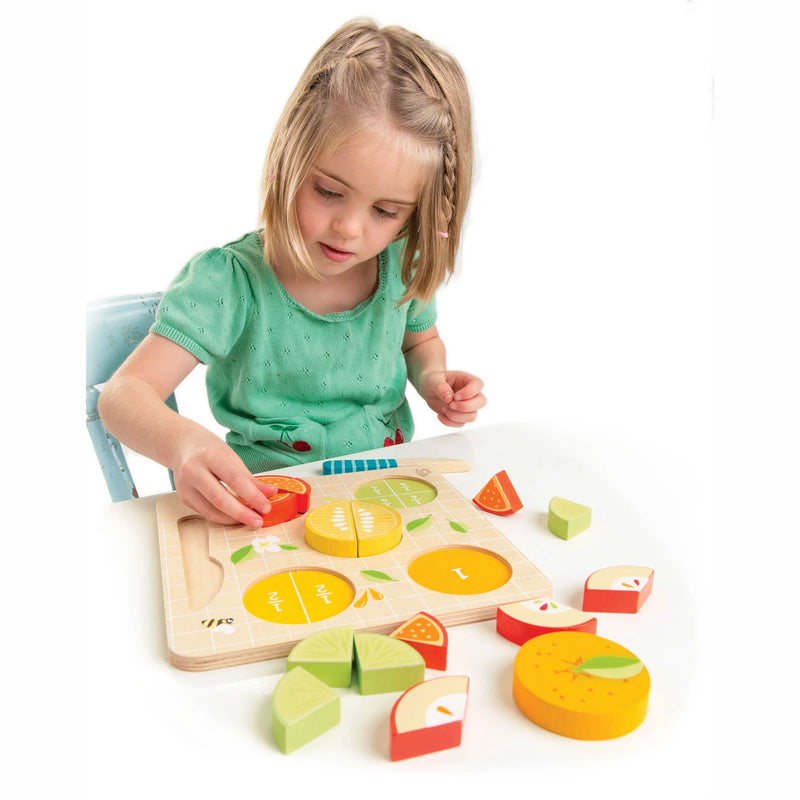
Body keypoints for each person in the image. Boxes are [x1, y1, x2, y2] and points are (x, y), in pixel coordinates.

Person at [98, 18, 486, 528]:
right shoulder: (230, 283)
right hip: (261, 508)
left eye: (386, 211)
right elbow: (122, 397)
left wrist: (433, 375)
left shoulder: (402, 263)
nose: (348, 228)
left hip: (381, 496)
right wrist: (184, 445)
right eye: (328, 191)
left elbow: (418, 339)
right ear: (289, 156)